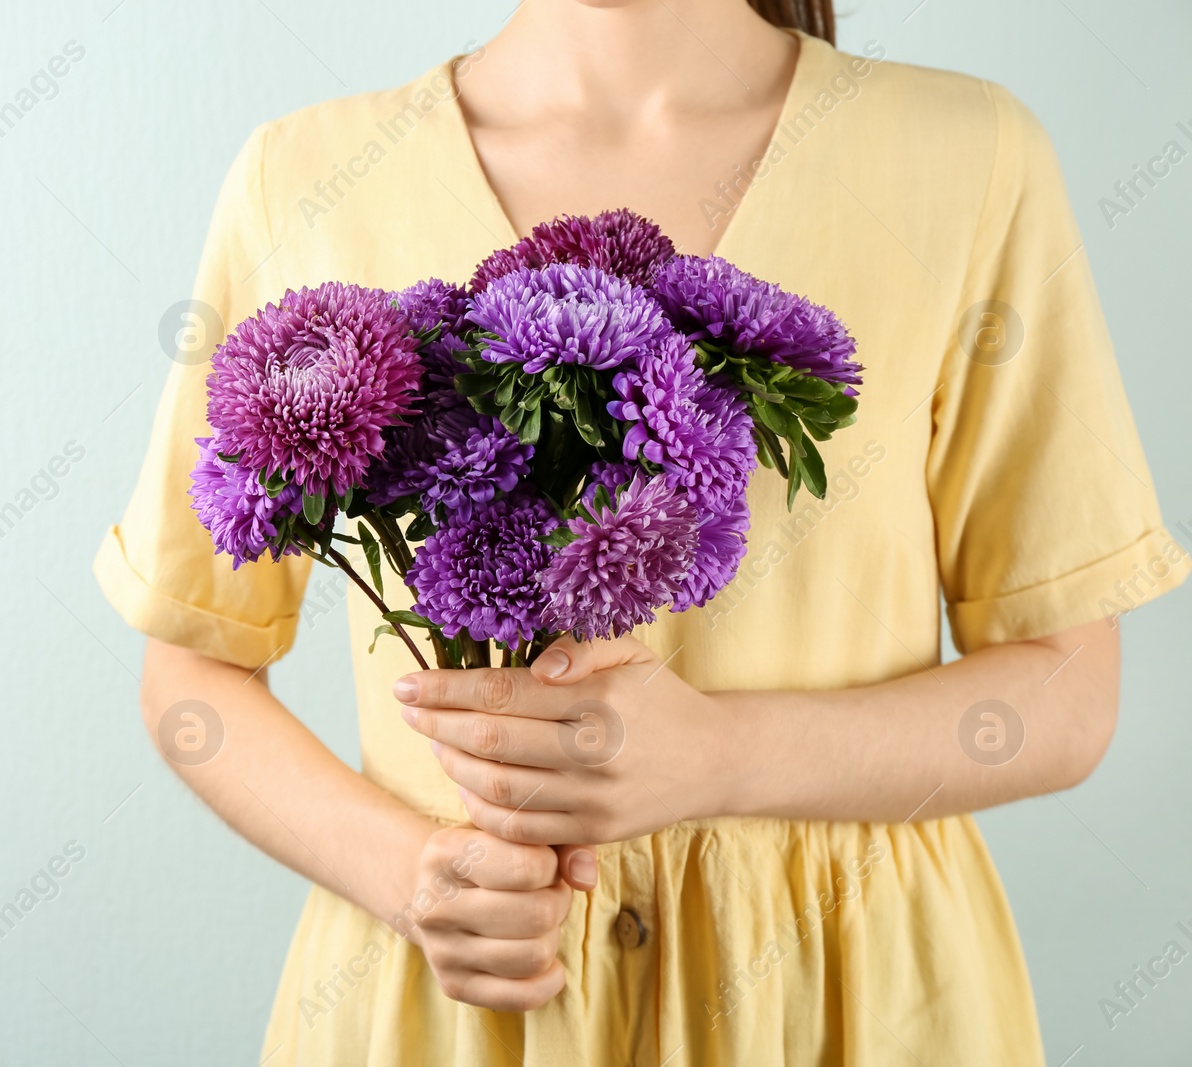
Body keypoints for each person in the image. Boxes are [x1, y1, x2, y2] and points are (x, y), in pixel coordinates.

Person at [95, 1, 1188, 1062]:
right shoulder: (301, 175)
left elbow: (1067, 688)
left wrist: (725, 755)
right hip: (457, 1004)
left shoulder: (970, 156)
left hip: (846, 1003)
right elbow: (192, 669)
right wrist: (409, 873)